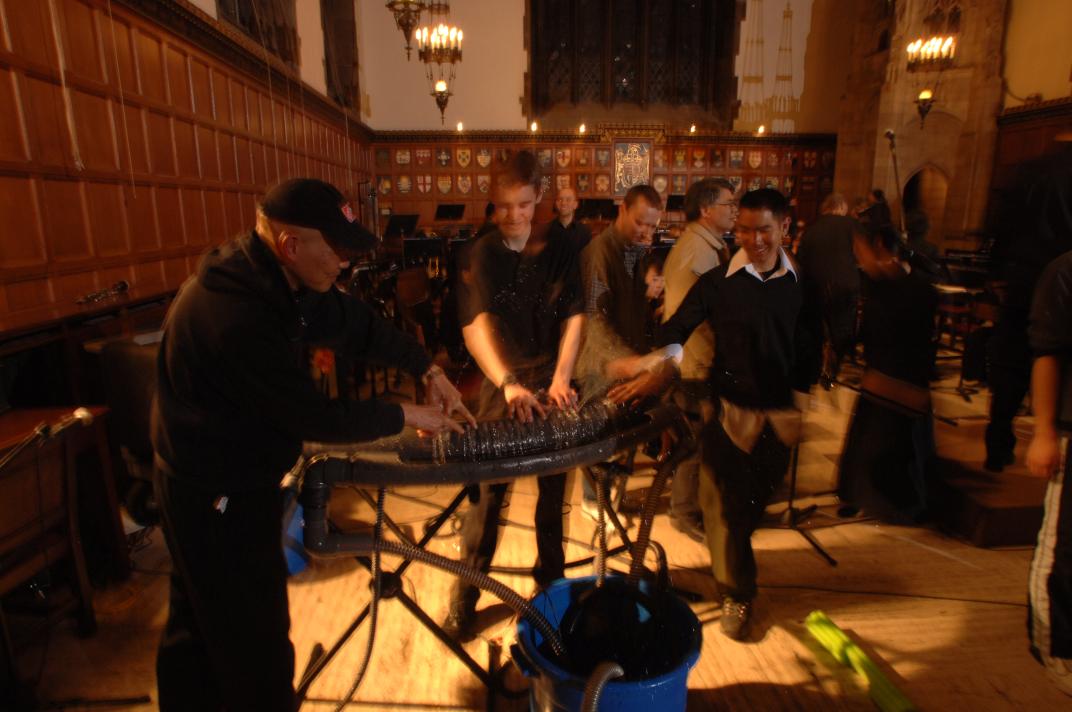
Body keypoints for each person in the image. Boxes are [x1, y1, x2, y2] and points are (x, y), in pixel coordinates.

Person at [151, 178, 473, 711]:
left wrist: (426, 369)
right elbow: (312, 416)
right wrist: (405, 414)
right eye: (338, 249)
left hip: (213, 473)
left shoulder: (280, 277)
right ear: (290, 244)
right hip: (213, 491)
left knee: (197, 625)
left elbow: (356, 325)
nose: (346, 262)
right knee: (253, 641)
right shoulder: (236, 314)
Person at [609, 188, 820, 640]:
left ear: (784, 227)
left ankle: (735, 571)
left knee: (750, 509)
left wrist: (805, 397)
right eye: (744, 229)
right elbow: (675, 327)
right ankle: (736, 593)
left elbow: (808, 343)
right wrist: (659, 363)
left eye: (764, 230)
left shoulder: (802, 283)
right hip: (728, 413)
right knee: (723, 508)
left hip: (779, 416)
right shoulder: (719, 282)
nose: (754, 240)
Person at [443, 151, 586, 640]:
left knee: (554, 494)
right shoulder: (479, 252)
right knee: (488, 496)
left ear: (539, 196)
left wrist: (563, 376)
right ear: (492, 199)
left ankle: (552, 590)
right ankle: (466, 594)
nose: (514, 216)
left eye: (523, 205)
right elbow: (475, 328)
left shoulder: (561, 246)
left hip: (551, 376)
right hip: (501, 378)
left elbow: (574, 315)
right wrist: (508, 383)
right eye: (504, 206)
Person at [836, 221, 938, 522]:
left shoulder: (918, 287)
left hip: (902, 382)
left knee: (894, 448)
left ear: (879, 244)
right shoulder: (875, 283)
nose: (858, 258)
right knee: (866, 447)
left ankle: (903, 508)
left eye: (860, 250)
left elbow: (915, 340)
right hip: (878, 380)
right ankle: (859, 498)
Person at [577, 184, 664, 520]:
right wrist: (626, 361)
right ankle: (594, 502)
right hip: (605, 363)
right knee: (601, 440)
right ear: (622, 210)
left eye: (652, 226)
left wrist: (651, 284)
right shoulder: (600, 251)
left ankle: (611, 499)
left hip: (629, 358)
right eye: (640, 222)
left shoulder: (633, 250)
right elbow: (594, 316)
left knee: (621, 439)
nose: (645, 231)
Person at [986, 137, 1072, 471]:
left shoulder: (1028, 170)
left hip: (1021, 281)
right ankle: (1049, 437)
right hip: (1060, 281)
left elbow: (999, 227)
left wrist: (996, 276)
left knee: (1009, 370)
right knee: (1052, 359)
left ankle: (998, 446)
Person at [660, 178, 737, 542]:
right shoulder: (699, 253)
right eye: (728, 204)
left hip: (696, 360)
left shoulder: (704, 246)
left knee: (698, 441)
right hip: (696, 363)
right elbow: (703, 315)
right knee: (694, 443)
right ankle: (684, 512)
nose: (734, 211)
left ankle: (688, 507)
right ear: (706, 210)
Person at [1025, 249, 1072, 697]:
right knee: (1062, 551)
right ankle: (1056, 651)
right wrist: (1044, 431)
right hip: (1070, 432)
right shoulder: (1065, 271)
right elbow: (1047, 354)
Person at [795, 192, 860, 384]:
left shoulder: (811, 229)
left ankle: (817, 370)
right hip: (844, 287)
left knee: (817, 330)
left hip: (814, 288)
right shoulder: (851, 225)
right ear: (841, 207)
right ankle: (833, 372)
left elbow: (800, 262)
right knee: (841, 330)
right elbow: (863, 256)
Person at [549, 186, 592, 252]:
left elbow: (586, 256)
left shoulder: (584, 232)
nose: (563, 203)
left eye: (568, 200)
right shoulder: (547, 230)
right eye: (560, 199)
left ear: (575, 204)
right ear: (556, 204)